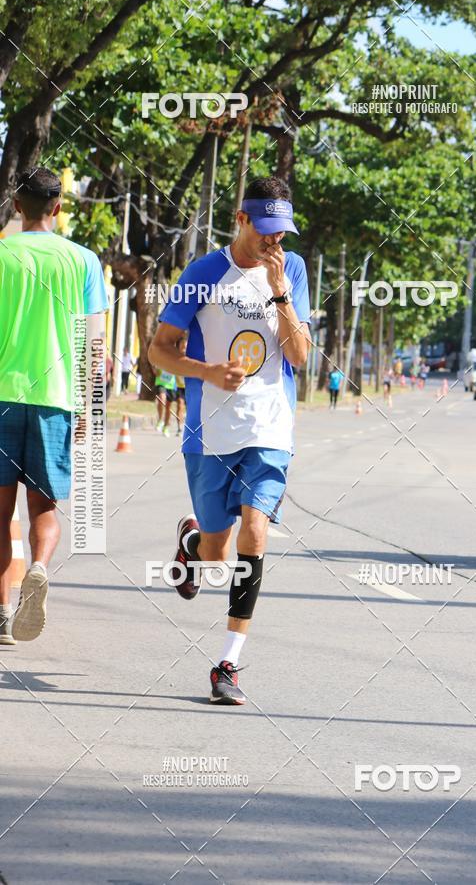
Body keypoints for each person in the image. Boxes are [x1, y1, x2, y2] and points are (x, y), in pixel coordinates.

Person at [149, 175, 310, 704]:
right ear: (240, 220)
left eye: (281, 232)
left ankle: (228, 666)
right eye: (264, 231)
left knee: (256, 533)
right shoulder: (202, 274)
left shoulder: (293, 271)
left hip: (269, 428)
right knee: (217, 555)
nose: (273, 242)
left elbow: (300, 356)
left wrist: (281, 292)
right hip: (209, 432)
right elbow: (159, 351)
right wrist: (206, 372)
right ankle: (193, 540)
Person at [0, 167, 108, 645]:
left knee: (0, 514)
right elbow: (94, 343)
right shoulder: (83, 261)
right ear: (58, 207)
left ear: (17, 207)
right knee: (44, 509)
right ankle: (39, 567)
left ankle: (1, 614)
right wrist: (88, 407)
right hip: (56, 399)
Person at [155, 368, 177, 436]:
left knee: (168, 407)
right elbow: (153, 362)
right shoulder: (161, 357)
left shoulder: (175, 359)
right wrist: (154, 368)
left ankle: (166, 426)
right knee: (161, 399)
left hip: (171, 385)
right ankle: (160, 420)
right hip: (161, 382)